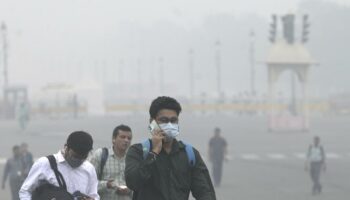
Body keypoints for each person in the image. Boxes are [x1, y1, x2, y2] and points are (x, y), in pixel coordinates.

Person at [125, 96, 216, 200]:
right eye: (163, 120)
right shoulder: (138, 151)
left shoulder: (189, 154)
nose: (169, 125)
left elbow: (205, 192)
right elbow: (132, 183)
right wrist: (154, 153)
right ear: (152, 122)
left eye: (173, 120)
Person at [19, 131, 100, 200]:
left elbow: (94, 195)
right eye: (75, 156)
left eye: (83, 157)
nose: (79, 160)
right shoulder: (45, 163)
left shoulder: (89, 169)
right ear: (66, 148)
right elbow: (25, 191)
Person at [89, 124, 133, 200]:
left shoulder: (132, 159)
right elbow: (89, 182)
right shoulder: (101, 155)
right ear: (113, 139)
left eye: (129, 138)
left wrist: (129, 190)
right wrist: (106, 184)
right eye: (123, 137)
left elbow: (139, 187)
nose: (126, 140)